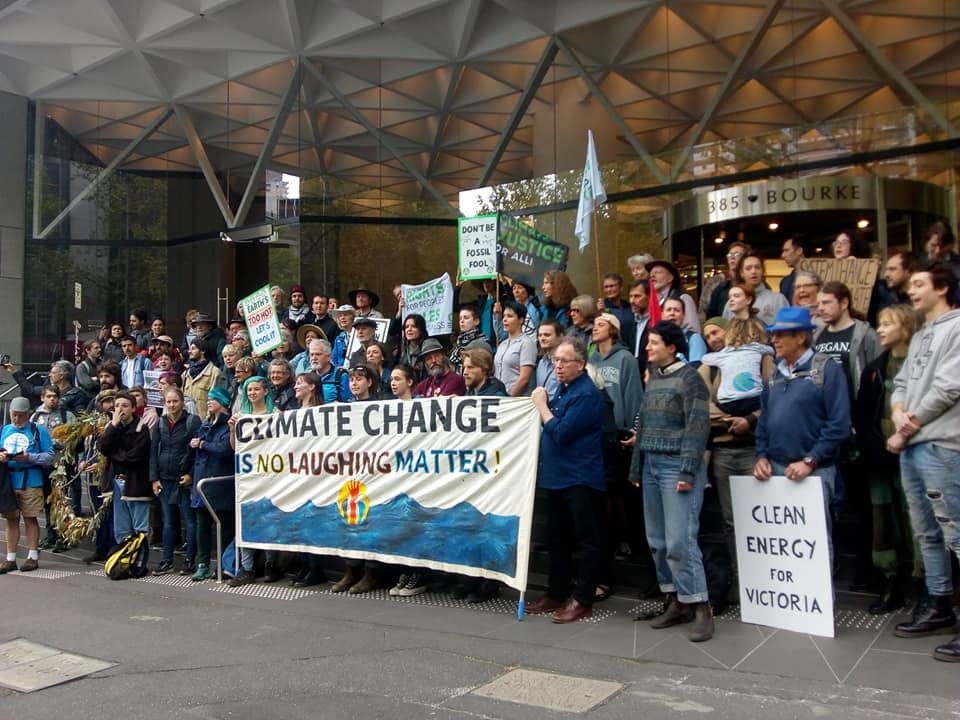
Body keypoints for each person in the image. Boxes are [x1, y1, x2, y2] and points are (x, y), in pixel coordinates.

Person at [886, 262, 960, 661]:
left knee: (956, 533)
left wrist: (904, 428)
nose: (910, 291)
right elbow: (901, 383)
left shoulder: (958, 328)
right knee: (927, 533)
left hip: (942, 446)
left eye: (918, 284)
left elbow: (948, 388)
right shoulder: (920, 335)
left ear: (942, 287)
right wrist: (898, 414)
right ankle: (939, 604)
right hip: (913, 445)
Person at [629, 321, 713, 641]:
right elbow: (645, 427)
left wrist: (688, 470)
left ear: (672, 347)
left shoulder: (690, 378)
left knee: (681, 540)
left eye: (653, 343)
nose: (647, 348)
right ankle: (677, 601)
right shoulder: (653, 379)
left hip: (676, 466)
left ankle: (701, 606)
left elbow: (697, 426)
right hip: (651, 464)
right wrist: (637, 468)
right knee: (658, 540)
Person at [753, 307, 851, 558]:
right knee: (781, 545)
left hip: (814, 471)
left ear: (801, 337)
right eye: (773, 335)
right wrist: (761, 456)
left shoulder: (827, 369)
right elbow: (764, 422)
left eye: (781, 335)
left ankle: (819, 597)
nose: (774, 340)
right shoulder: (774, 374)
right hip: (775, 469)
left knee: (814, 542)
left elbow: (838, 424)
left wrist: (811, 460)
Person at [526, 338, 606, 623]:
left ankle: (583, 598)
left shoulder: (586, 394)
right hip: (557, 477)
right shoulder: (562, 389)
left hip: (580, 477)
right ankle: (555, 592)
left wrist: (541, 406)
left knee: (585, 540)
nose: (558, 366)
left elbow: (560, 432)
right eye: (555, 361)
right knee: (556, 539)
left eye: (564, 361)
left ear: (581, 364)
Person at [700, 318, 775, 602]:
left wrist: (751, 419)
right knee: (732, 522)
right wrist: (729, 418)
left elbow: (772, 398)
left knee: (762, 519)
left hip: (756, 449)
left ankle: (766, 578)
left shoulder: (763, 359)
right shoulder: (713, 365)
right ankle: (742, 581)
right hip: (723, 451)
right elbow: (702, 405)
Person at [853, 304, 918, 615]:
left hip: (915, 457)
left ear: (905, 327)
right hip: (880, 460)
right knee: (883, 523)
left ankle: (926, 587)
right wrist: (876, 449)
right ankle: (891, 582)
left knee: (917, 523)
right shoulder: (874, 368)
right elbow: (863, 416)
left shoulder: (921, 367)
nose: (880, 329)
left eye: (887, 324)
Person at [228, 377, 275, 585]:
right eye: (249, 390)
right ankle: (246, 568)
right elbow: (234, 447)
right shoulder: (241, 417)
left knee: (271, 520)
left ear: (265, 391)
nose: (252, 393)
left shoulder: (276, 414)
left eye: (256, 389)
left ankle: (271, 565)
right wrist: (232, 429)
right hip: (248, 477)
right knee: (247, 520)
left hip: (271, 475)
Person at [0, 397, 54, 573]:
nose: (17, 419)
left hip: (31, 479)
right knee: (11, 520)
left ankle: (32, 556)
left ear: (28, 415)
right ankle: (10, 558)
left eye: (21, 416)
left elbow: (49, 456)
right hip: (9, 481)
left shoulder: (38, 431)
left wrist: (29, 458)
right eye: (14, 415)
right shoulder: (5, 430)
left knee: (30, 518)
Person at [150, 388, 201, 575]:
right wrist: (154, 478)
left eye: (175, 401)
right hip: (165, 478)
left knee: (189, 520)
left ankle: (190, 559)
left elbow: (198, 452)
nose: (172, 405)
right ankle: (167, 560)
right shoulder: (161, 423)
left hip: (184, 479)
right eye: (168, 402)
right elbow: (154, 451)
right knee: (169, 521)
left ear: (182, 402)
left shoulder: (192, 421)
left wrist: (191, 475)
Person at [191, 387, 237, 582]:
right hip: (202, 481)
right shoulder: (206, 423)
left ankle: (222, 563)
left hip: (220, 482)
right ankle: (202, 564)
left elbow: (225, 448)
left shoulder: (229, 425)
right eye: (208, 398)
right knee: (202, 526)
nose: (209, 401)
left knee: (224, 527)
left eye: (213, 399)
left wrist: (202, 444)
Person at [98, 390, 152, 545]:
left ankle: (139, 562)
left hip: (135, 482)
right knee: (121, 529)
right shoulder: (112, 427)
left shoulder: (142, 428)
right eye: (117, 406)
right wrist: (113, 426)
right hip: (115, 482)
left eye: (125, 406)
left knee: (140, 528)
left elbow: (134, 457)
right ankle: (123, 562)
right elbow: (102, 447)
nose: (121, 409)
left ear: (133, 408)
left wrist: (113, 453)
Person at [813, 280, 882, 401]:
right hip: (823, 407)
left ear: (844, 303)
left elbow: (879, 373)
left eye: (826, 303)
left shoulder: (866, 335)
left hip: (854, 407)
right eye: (819, 304)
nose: (821, 308)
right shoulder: (816, 336)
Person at [30, 385, 77, 550]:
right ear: (42, 397)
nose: (52, 399)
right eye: (49, 396)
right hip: (43, 466)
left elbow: (74, 438)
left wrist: (55, 443)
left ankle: (63, 537)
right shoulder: (35, 417)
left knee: (62, 501)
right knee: (48, 502)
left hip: (62, 465)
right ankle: (51, 535)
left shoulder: (67, 415)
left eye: (55, 396)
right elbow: (31, 439)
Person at [730, 252, 787, 327]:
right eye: (748, 268)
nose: (753, 272)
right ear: (741, 273)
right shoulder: (732, 302)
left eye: (757, 267)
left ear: (762, 271)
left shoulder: (778, 299)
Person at [493, 301, 537, 397]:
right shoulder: (502, 345)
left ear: (521, 320)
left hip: (516, 401)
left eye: (510, 316)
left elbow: (524, 378)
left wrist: (510, 398)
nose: (505, 319)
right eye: (504, 316)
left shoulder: (526, 343)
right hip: (499, 398)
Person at [647, 259, 700, 333]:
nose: (652, 275)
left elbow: (693, 329)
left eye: (657, 272)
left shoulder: (683, 298)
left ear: (670, 278)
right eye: (651, 273)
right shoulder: (650, 301)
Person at [704, 241, 751, 320]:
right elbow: (710, 316)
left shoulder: (752, 285)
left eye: (737, 254)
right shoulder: (719, 288)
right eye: (730, 255)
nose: (732, 257)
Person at [663, 297, 707, 367]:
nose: (672, 313)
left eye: (677, 310)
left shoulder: (694, 338)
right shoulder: (658, 339)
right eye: (668, 310)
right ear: (662, 314)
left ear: (684, 315)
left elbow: (696, 371)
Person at [183, 338, 220, 421]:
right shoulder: (186, 374)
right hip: (186, 423)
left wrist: (207, 422)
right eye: (189, 349)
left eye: (193, 348)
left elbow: (215, 400)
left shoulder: (214, 372)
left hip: (203, 423)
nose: (189, 351)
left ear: (202, 351)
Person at [449, 305, 491, 375]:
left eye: (466, 318)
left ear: (476, 321)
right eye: (460, 318)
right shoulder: (459, 343)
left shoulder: (482, 343)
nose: (462, 321)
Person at [308, 339, 351, 404]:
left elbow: (348, 403)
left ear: (329, 357)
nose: (314, 358)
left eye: (318, 354)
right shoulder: (307, 377)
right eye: (312, 354)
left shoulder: (341, 376)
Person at [535, 318, 564, 398]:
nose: (542, 338)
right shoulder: (541, 362)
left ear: (560, 336)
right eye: (540, 335)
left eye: (547, 335)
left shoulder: (566, 363)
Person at [779, 234, 808, 305]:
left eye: (786, 250)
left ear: (799, 251)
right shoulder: (785, 282)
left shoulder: (817, 277)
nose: (783, 255)